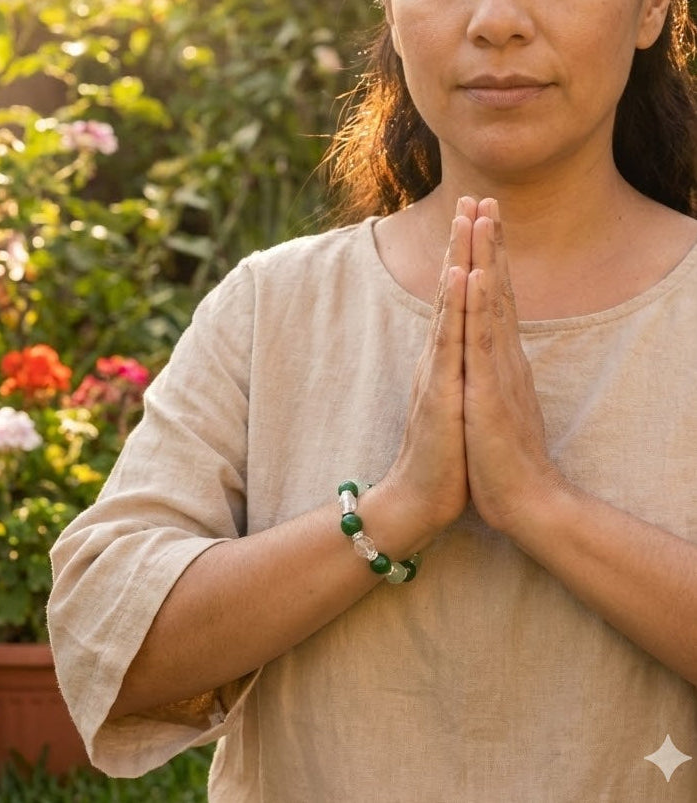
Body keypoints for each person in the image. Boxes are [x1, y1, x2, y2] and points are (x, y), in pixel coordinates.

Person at [48, 0, 697, 799]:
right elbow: (106, 640)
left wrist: (539, 503)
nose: (496, 21)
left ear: (649, 12)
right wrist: (395, 509)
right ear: (392, 14)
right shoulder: (270, 307)